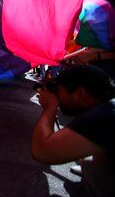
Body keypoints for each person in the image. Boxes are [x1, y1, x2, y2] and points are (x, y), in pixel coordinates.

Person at [31, 65, 115, 196]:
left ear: (79, 93)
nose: (58, 96)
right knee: (88, 161)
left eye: (59, 91)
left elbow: (42, 151)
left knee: (91, 166)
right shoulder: (107, 106)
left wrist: (50, 107)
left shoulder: (105, 116)